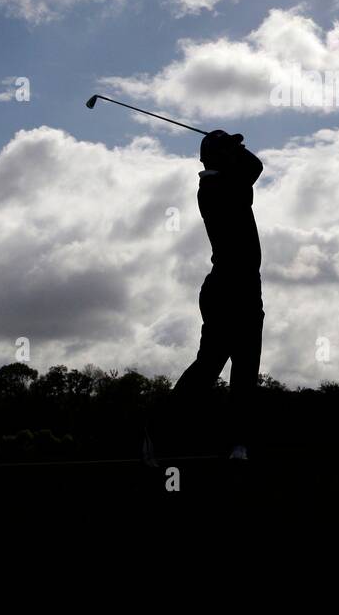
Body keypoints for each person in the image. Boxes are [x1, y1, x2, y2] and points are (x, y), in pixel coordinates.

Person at [145, 130, 264, 463]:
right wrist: (238, 148)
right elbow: (255, 166)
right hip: (225, 289)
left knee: (245, 371)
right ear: (219, 157)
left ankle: (238, 444)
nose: (235, 155)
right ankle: (158, 431)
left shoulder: (227, 179)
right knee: (209, 368)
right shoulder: (215, 187)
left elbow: (251, 165)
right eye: (228, 151)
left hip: (247, 288)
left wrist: (231, 146)